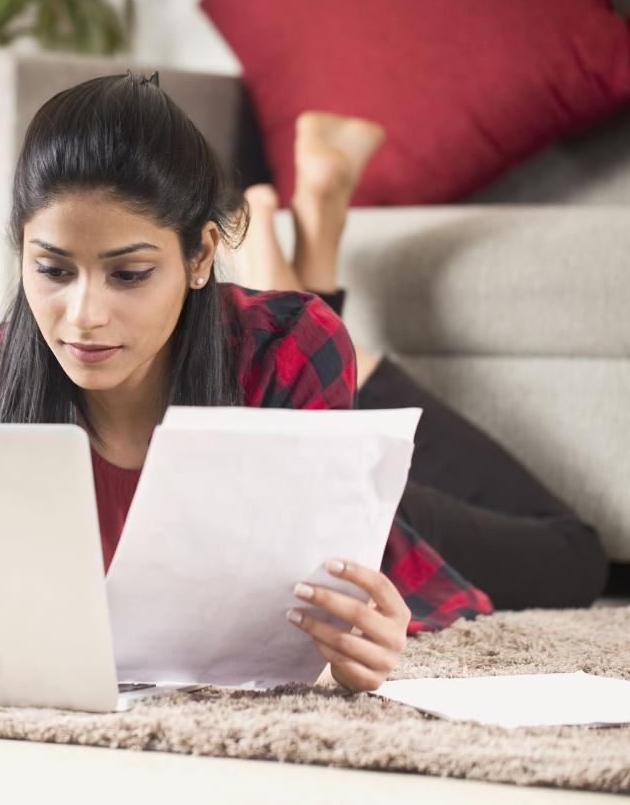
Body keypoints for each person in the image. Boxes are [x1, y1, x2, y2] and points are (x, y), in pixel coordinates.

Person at [0, 71, 590, 692]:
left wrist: (355, 640)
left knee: (574, 556)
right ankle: (311, 246)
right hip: (274, 384)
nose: (83, 315)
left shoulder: (287, 352)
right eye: (52, 270)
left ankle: (319, 264)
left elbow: (324, 602)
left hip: (332, 465)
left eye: (129, 274)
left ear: (200, 255)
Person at [225, 112, 610, 614]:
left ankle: (306, 282)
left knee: (573, 553)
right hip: (337, 503)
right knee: (576, 559)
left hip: (315, 495)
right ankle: (295, 303)